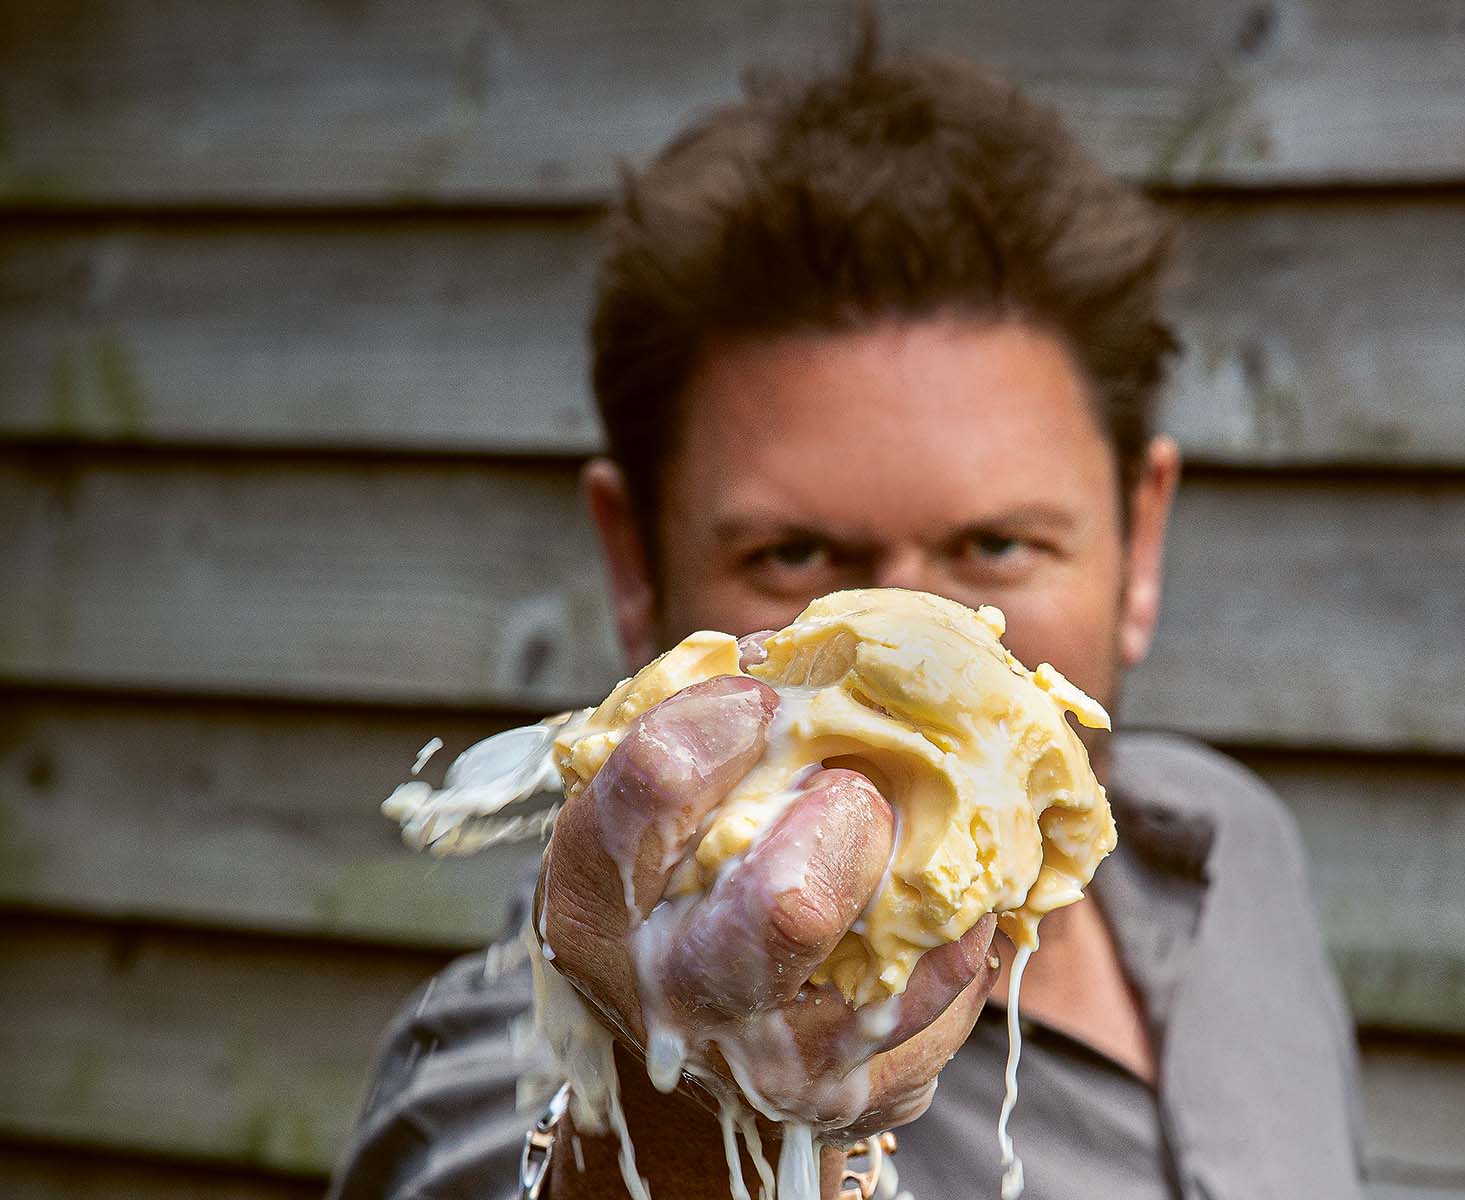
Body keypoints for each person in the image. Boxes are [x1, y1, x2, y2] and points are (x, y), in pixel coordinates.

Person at [332, 30, 1362, 1200]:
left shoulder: (1226, 848)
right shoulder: (514, 1046)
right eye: (797, 555)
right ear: (634, 567)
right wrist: (674, 1124)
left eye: (999, 545)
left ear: (1142, 544)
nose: (920, 651)